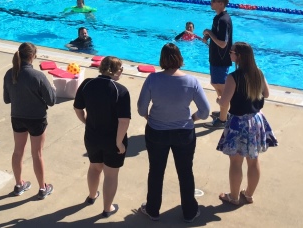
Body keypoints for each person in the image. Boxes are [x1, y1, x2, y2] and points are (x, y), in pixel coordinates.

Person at [137, 43, 209, 222]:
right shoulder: (191, 81)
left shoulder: (153, 79)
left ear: (162, 59)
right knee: (185, 172)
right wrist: (193, 117)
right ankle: (190, 212)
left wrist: (148, 117)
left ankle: (153, 210)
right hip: (184, 132)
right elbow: (205, 111)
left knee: (156, 171)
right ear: (180, 59)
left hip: (156, 131)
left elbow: (140, 108)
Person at [215, 42, 278, 205]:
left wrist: (219, 100)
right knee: (253, 159)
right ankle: (249, 194)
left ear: (239, 56)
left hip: (239, 122)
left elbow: (224, 103)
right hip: (256, 120)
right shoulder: (258, 73)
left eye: (232, 52)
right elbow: (267, 94)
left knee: (236, 161)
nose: (230, 54)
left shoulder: (233, 77)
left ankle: (234, 197)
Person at [73, 56, 131, 218]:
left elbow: (78, 108)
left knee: (94, 167)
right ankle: (107, 208)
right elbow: (124, 121)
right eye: (121, 70)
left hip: (92, 136)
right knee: (111, 174)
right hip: (112, 139)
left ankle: (92, 196)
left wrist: (86, 122)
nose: (121, 73)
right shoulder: (121, 90)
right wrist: (119, 142)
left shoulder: (87, 84)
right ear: (114, 71)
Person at [3, 42, 56, 199]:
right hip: (36, 119)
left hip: (17, 117)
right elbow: (51, 100)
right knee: (37, 154)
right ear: (32, 56)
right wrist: (52, 88)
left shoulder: (9, 74)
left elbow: (7, 99)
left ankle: (19, 184)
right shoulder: (38, 76)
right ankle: (42, 187)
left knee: (18, 151)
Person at [202, 0, 233, 128]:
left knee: (221, 89)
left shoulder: (223, 20)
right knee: (217, 85)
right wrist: (209, 35)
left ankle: (223, 120)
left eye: (213, 0)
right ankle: (224, 112)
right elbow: (218, 37)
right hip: (216, 59)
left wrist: (209, 32)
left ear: (221, 3)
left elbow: (223, 43)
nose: (211, 2)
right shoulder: (218, 18)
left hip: (221, 60)